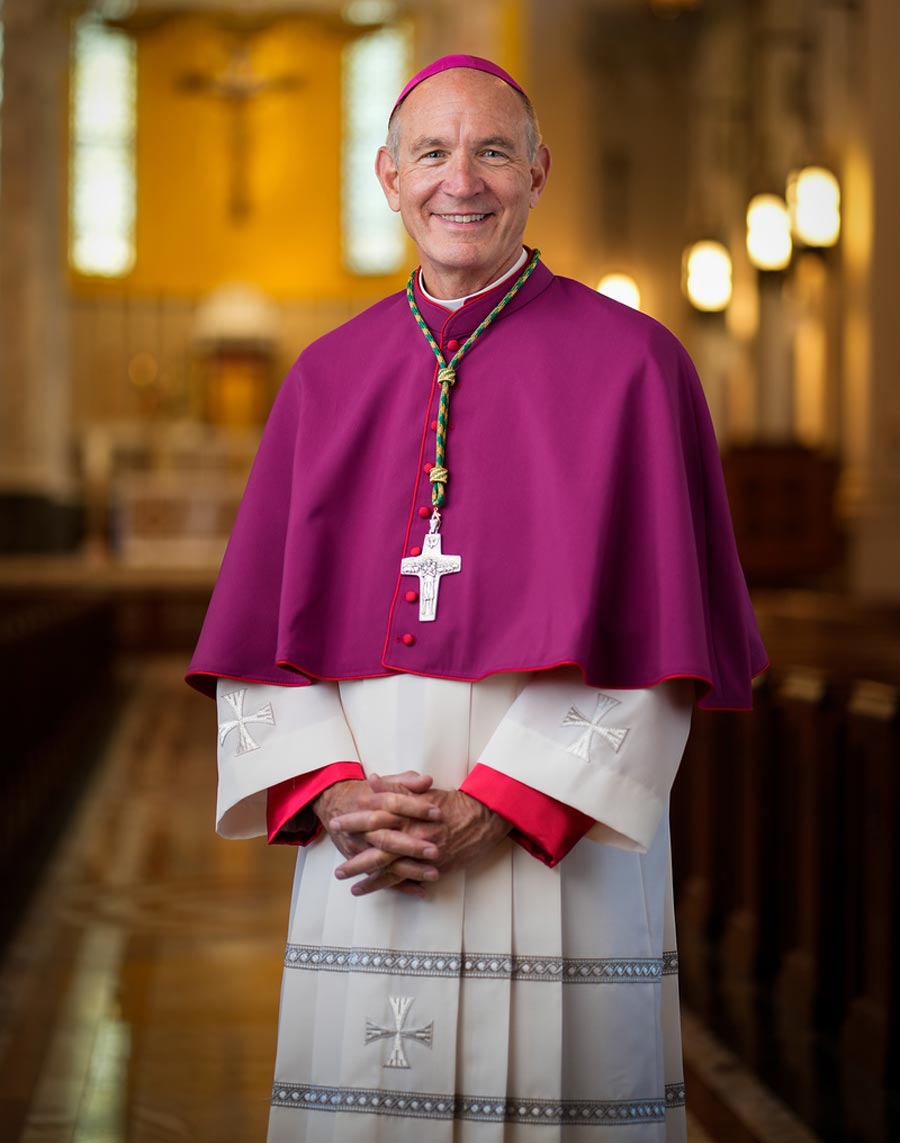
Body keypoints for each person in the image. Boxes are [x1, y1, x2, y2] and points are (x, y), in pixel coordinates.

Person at [187, 54, 767, 1142]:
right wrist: (327, 794)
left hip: (557, 846)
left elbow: (664, 641)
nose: (464, 180)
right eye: (435, 153)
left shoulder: (638, 368)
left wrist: (501, 807)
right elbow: (256, 643)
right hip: (366, 843)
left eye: (494, 151)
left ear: (538, 171)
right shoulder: (324, 375)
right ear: (389, 176)